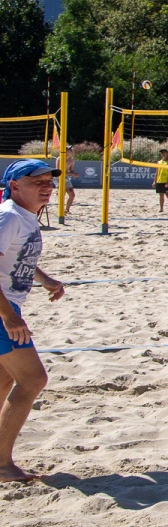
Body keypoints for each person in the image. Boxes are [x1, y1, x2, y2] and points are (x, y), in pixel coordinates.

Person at [0, 161, 68, 483]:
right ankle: (1, 465)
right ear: (14, 186)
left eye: (49, 182)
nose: (47, 187)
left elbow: (18, 256)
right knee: (33, 379)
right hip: (3, 309)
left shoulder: (24, 216)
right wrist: (8, 315)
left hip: (9, 304)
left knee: (5, 379)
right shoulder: (10, 216)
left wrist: (43, 279)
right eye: (36, 181)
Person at [153, 149, 168, 214]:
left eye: (164, 153)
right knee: (161, 195)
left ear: (167, 154)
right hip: (159, 180)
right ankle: (161, 209)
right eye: (162, 153)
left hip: (165, 181)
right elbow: (156, 172)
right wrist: (154, 181)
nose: (163, 154)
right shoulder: (159, 162)